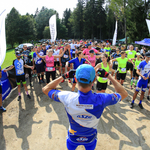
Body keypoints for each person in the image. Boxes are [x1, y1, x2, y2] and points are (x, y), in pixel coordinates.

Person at [42, 64, 128, 150]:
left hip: (73, 138)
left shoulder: (67, 97)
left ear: (75, 79)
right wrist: (109, 76)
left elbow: (46, 89)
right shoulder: (102, 99)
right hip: (90, 139)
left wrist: (64, 76)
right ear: (94, 80)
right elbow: (123, 93)